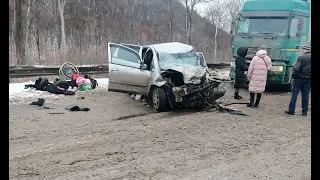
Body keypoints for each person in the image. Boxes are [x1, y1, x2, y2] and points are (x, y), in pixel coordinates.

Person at [285, 43, 311, 116]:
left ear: (305, 49)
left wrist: (294, 75)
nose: (302, 50)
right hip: (308, 79)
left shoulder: (301, 58)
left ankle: (291, 110)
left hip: (299, 78)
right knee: (305, 95)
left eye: (302, 49)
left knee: (294, 94)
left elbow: (297, 68)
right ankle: (304, 111)